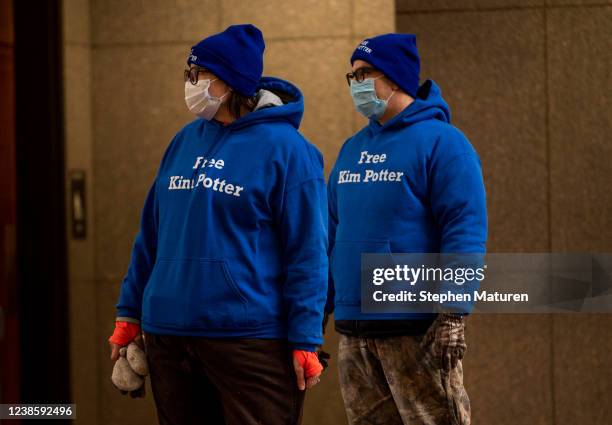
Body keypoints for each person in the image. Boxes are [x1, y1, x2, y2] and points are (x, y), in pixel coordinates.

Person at [107, 24, 328, 425]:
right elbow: (151, 237)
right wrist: (129, 313)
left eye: (199, 75)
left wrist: (306, 338)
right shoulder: (183, 141)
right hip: (169, 336)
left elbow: (308, 253)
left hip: (249, 340)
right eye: (188, 74)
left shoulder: (289, 151)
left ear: (229, 82)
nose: (191, 83)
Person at [326, 33, 487, 425]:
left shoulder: (444, 143)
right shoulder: (351, 149)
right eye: (352, 77)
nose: (356, 85)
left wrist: (454, 313)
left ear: (395, 78)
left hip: (417, 329)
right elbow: (330, 235)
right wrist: (317, 316)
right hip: (354, 332)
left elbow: (464, 229)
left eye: (364, 74)